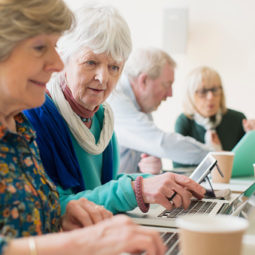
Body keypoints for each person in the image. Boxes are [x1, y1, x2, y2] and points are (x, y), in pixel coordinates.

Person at [0, 1, 166, 254]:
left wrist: (63, 213)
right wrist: (82, 240)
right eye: (40, 47)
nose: (56, 63)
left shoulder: (20, 128)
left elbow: (45, 208)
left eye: (114, 67)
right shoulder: (35, 117)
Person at [24, 3, 206, 217]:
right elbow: (57, 209)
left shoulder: (102, 118)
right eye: (91, 62)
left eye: (114, 67)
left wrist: (159, 183)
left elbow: (104, 187)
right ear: (64, 60)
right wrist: (137, 189)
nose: (103, 78)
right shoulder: (37, 116)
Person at [107, 47, 213, 174]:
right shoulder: (114, 98)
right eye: (166, 85)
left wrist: (150, 168)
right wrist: (215, 156)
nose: (170, 94)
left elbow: (150, 155)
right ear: (144, 80)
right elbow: (161, 143)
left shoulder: (142, 106)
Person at [173, 66, 254, 168]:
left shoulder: (238, 119)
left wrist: (252, 138)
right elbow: (179, 166)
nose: (211, 97)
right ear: (190, 95)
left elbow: (249, 163)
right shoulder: (184, 121)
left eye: (215, 90)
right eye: (203, 91)